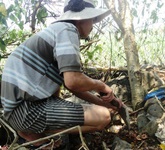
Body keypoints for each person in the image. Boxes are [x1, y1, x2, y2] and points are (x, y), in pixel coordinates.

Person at [1, 0, 121, 149]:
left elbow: (72, 86)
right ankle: (32, 133)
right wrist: (101, 86)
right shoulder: (68, 30)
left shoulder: (56, 31)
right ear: (82, 19)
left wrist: (102, 102)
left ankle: (35, 133)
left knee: (101, 110)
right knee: (103, 117)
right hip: (26, 111)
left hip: (17, 109)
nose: (93, 25)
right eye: (92, 20)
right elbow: (73, 81)